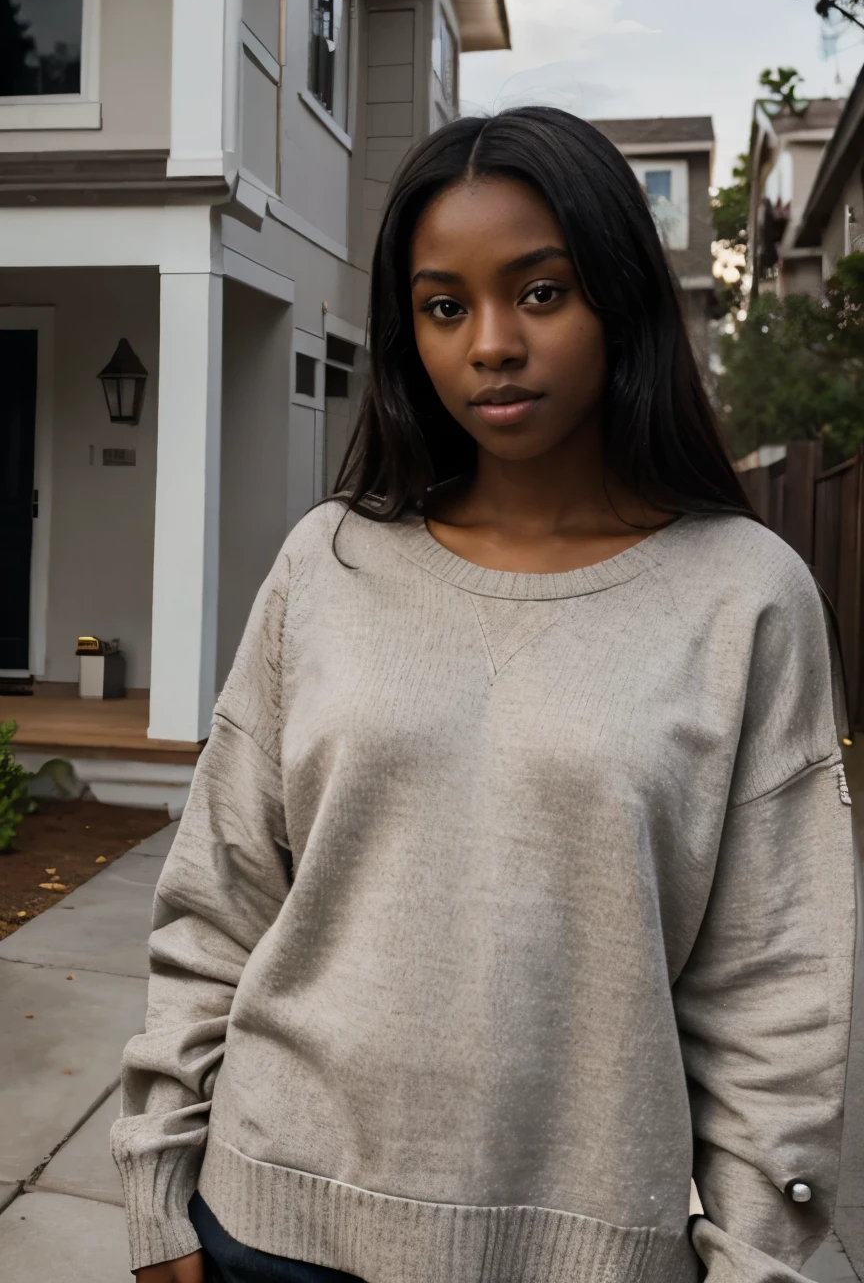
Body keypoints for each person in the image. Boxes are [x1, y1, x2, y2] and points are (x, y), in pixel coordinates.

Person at [113, 106, 856, 1283]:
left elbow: (778, 990)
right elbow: (218, 901)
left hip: (581, 1251)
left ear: (619, 297)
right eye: (444, 305)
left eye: (541, 291)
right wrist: (159, 1188)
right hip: (268, 1225)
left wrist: (769, 1255)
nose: (491, 342)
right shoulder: (328, 563)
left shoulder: (746, 598)